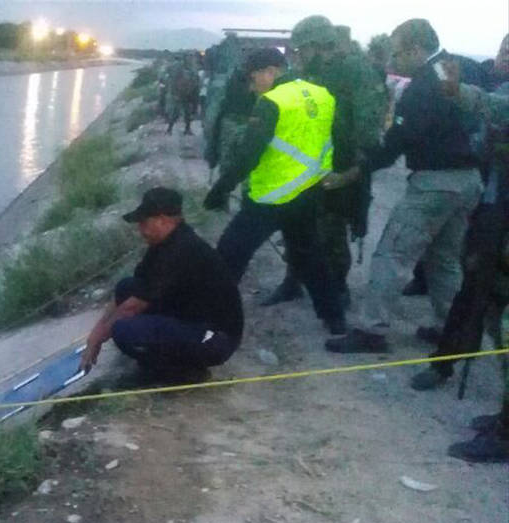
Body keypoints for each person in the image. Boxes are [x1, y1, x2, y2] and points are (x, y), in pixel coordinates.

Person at [326, 19, 482, 354]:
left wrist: (357, 171)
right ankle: (450, 329)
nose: (393, 63)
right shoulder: (458, 69)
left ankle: (371, 330)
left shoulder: (424, 84)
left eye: (397, 55)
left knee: (392, 254)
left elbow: (399, 139)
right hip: (468, 181)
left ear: (415, 49)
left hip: (435, 184)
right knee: (444, 259)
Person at [204, 47, 350, 336]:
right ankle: (335, 319)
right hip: (308, 193)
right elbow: (341, 139)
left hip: (270, 198)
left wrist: (221, 189)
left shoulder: (272, 101)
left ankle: (210, 319)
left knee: (229, 255)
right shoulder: (322, 94)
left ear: (270, 71)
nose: (251, 85)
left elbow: (249, 154)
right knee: (310, 257)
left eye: (252, 78)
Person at [262, 16, 388, 309]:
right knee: (294, 223)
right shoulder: (310, 72)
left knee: (331, 230)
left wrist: (354, 168)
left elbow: (368, 126)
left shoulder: (355, 71)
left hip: (338, 163)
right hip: (303, 162)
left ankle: (337, 290)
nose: (298, 57)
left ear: (320, 46)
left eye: (302, 50)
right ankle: (293, 281)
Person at [80, 187, 243, 383]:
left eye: (143, 222)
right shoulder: (163, 244)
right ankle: (167, 354)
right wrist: (95, 334)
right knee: (126, 286)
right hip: (191, 314)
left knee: (124, 330)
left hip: (216, 338)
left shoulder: (181, 250)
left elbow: (131, 308)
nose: (140, 229)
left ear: (163, 219)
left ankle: (183, 372)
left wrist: (97, 339)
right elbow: (133, 292)